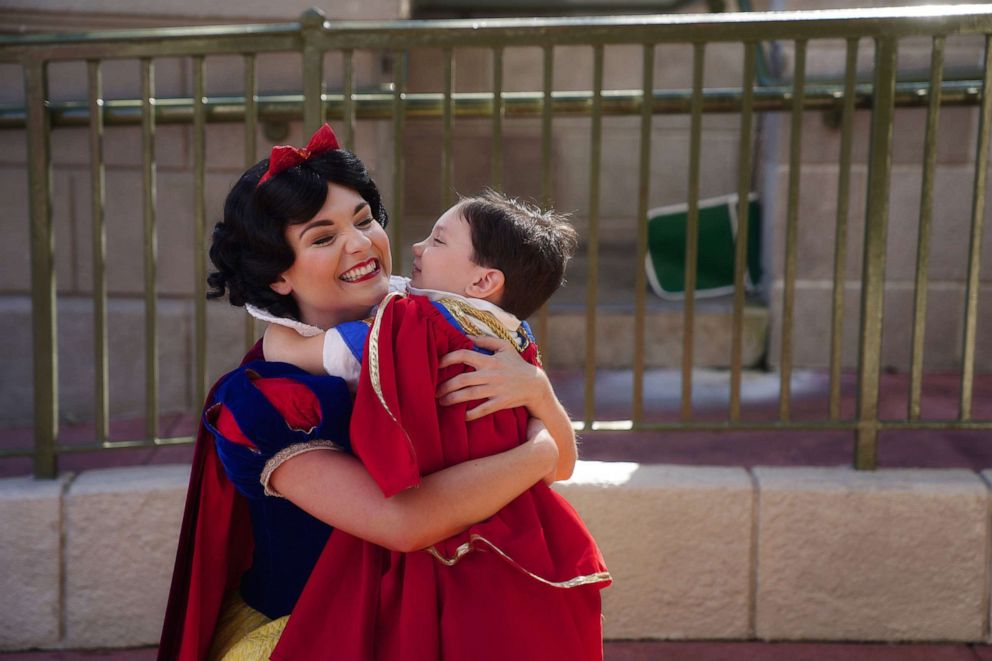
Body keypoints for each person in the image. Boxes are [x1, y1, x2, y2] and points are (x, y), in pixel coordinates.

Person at [158, 124, 573, 660]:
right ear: (278, 275)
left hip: (442, 629)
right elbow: (404, 524)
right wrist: (540, 447)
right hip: (312, 637)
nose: (361, 243)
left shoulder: (440, 329)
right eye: (323, 237)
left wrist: (538, 391)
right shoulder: (263, 399)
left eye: (364, 220)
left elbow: (563, 469)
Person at [263, 191, 610, 660]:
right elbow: (561, 462)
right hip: (523, 538)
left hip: (435, 546)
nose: (417, 249)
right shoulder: (516, 343)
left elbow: (310, 354)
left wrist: (274, 329)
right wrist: (540, 396)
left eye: (438, 241)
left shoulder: (413, 323)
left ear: (484, 279)